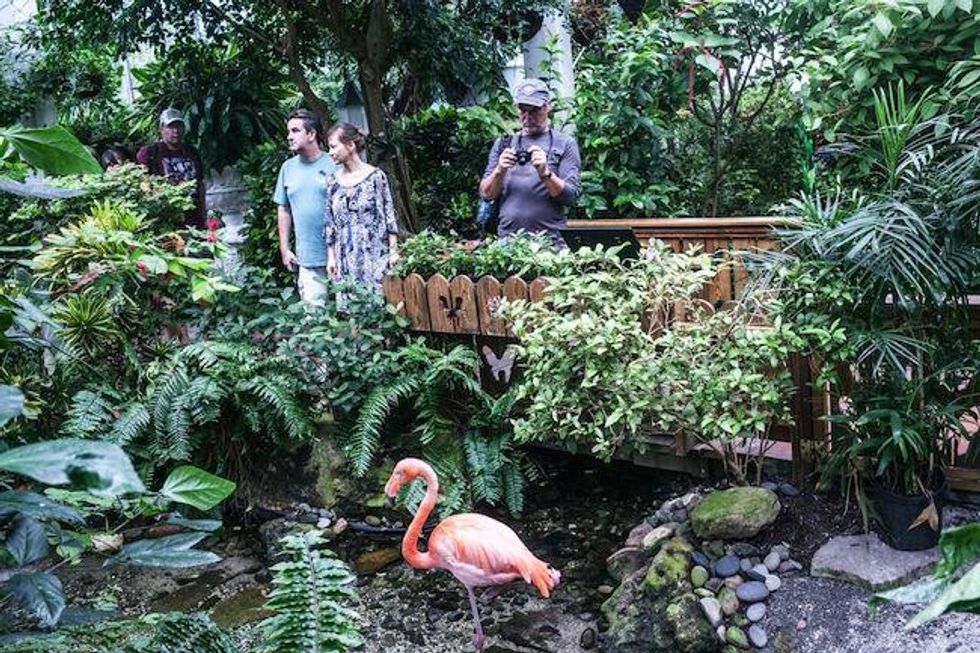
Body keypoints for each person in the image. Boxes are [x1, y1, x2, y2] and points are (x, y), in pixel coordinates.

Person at [479, 78, 581, 246]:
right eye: (522, 110)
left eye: (534, 110)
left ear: (548, 107)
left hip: (550, 244)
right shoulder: (504, 143)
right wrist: (499, 171)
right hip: (507, 244)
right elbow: (486, 194)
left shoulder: (564, 144)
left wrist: (545, 173)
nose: (528, 117)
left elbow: (570, 197)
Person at [273, 108, 338, 306]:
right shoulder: (288, 168)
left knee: (350, 319)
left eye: (295, 131)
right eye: (288, 132)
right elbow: (284, 210)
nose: (289, 137)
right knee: (314, 322)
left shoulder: (334, 164)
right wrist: (285, 248)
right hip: (307, 258)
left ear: (311, 134)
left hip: (340, 256)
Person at [323, 122, 399, 291]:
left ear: (350, 145)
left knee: (377, 307)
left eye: (334, 147)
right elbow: (330, 224)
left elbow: (389, 217)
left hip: (374, 258)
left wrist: (393, 252)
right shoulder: (332, 182)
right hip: (344, 262)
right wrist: (331, 258)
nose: (330, 153)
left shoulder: (376, 177)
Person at [136, 108, 206, 227]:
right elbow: (143, 184)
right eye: (170, 127)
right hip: (166, 217)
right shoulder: (150, 153)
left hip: (194, 216)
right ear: (161, 129)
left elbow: (200, 184)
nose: (175, 131)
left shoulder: (192, 152)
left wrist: (204, 212)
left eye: (179, 126)